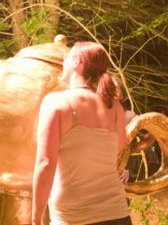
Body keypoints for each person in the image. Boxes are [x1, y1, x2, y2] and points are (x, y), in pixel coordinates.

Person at [32, 42, 131, 225]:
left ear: (77, 62)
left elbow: (45, 164)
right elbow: (121, 145)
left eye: (66, 57)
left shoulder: (56, 103)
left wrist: (36, 218)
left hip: (74, 217)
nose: (62, 61)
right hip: (117, 213)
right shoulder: (116, 107)